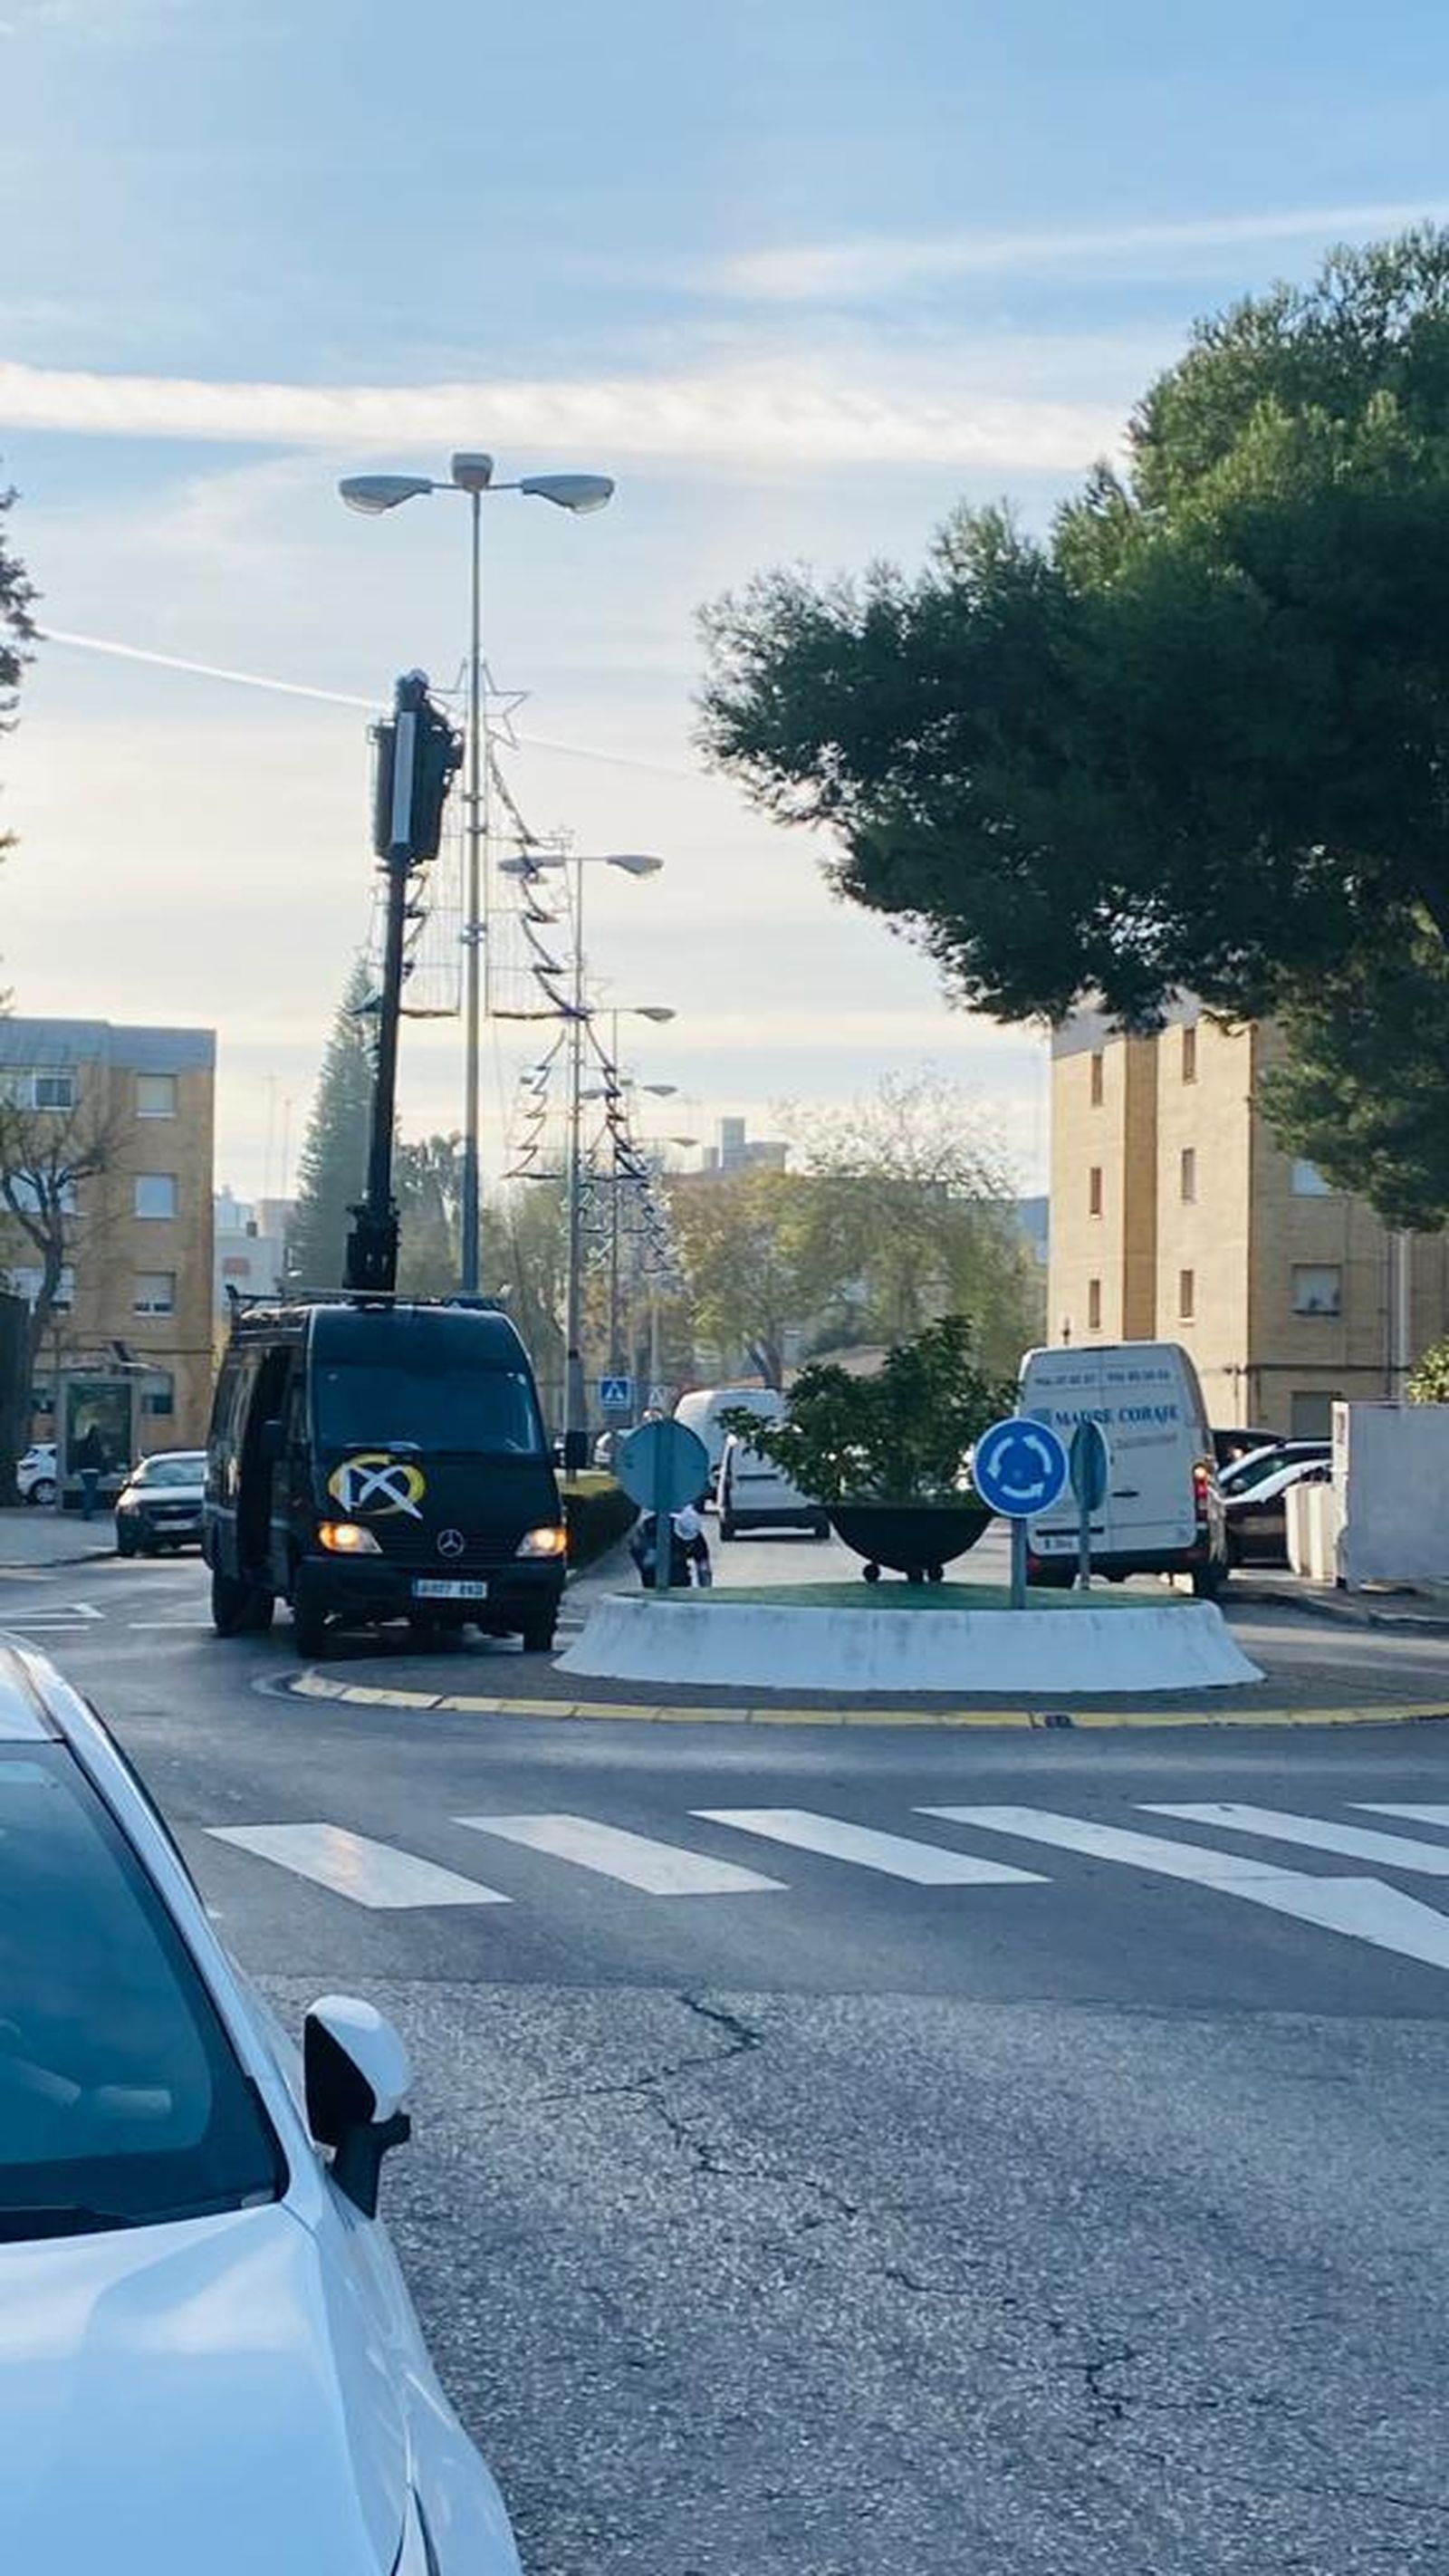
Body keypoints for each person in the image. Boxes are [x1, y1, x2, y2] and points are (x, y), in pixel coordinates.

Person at [629, 1498, 713, 1591]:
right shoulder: (652, 1527)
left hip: (679, 1580)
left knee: (677, 1574)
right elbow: (638, 1549)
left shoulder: (693, 1531)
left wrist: (705, 1591)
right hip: (653, 1573)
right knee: (656, 1569)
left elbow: (704, 1566)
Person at [75, 1422, 105, 1523]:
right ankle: (87, 1512)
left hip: (84, 1470)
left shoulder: (83, 1443)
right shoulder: (98, 1444)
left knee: (87, 1491)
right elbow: (101, 1458)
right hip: (94, 1470)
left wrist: (79, 1467)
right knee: (90, 1491)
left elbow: (79, 1456)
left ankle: (86, 1511)